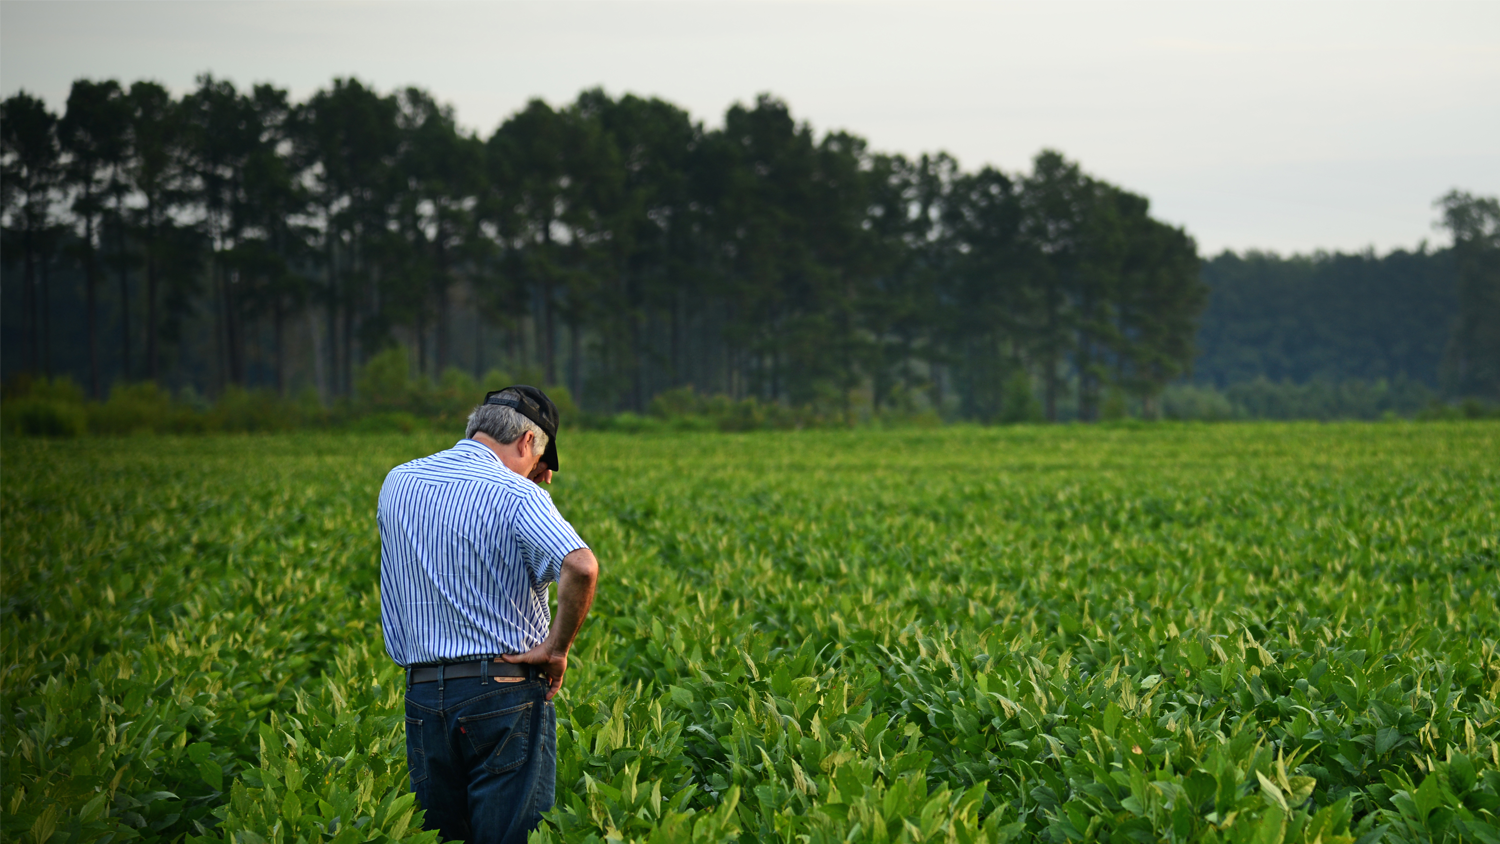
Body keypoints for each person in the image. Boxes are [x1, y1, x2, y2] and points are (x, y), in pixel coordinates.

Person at [377, 386, 599, 844]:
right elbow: (580, 565)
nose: (541, 476)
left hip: (422, 698)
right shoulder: (517, 495)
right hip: (503, 695)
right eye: (540, 461)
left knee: (441, 837)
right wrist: (557, 650)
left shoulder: (398, 482)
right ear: (525, 443)